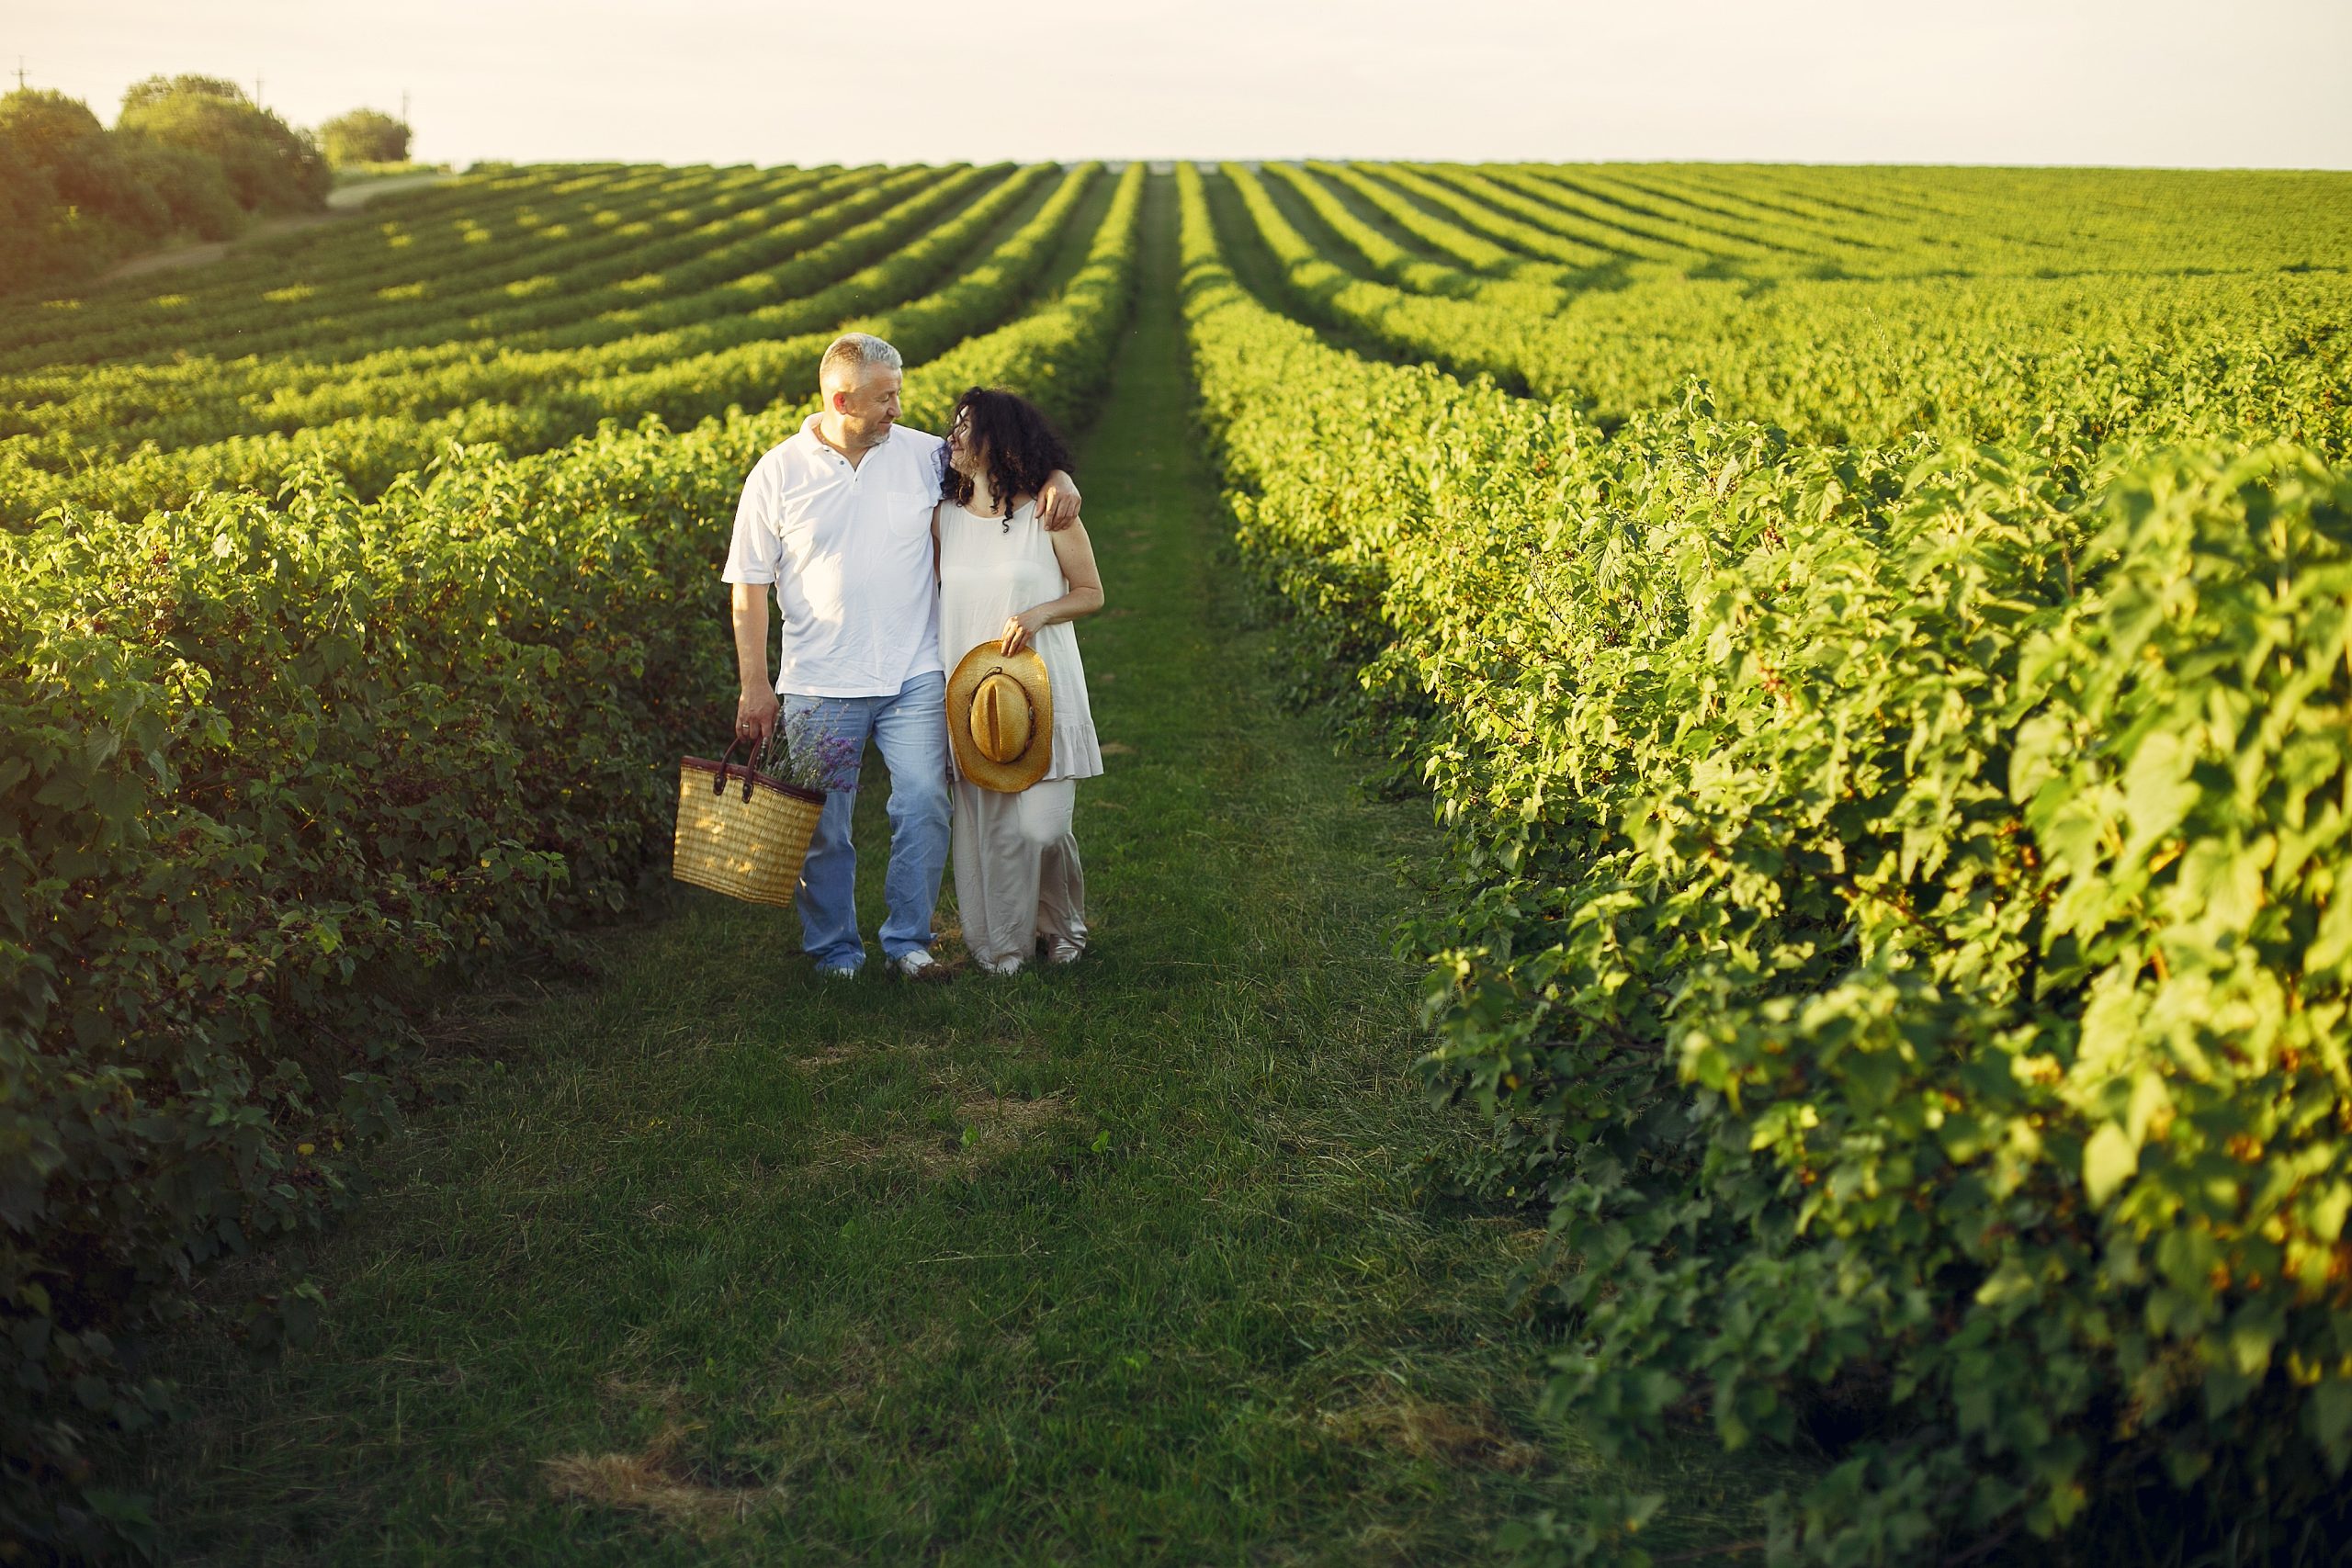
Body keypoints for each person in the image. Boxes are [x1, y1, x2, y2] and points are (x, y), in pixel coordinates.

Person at [722, 334, 1080, 980]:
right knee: (825, 825)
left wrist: (1059, 475)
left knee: (922, 801)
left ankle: (907, 940)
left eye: (898, 394)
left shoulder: (921, 455)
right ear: (841, 398)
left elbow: (1011, 455)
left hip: (915, 673)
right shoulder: (777, 472)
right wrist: (755, 684)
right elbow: (747, 585)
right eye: (886, 397)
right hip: (818, 681)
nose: (898, 408)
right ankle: (835, 950)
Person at [935, 387, 1105, 975]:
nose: (952, 437)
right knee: (990, 831)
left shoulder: (1049, 512)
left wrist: (1038, 614)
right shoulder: (943, 521)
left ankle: (1062, 924)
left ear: (998, 440)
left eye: (965, 428)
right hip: (973, 692)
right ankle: (1004, 944)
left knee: (1042, 827)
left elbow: (1092, 593)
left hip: (1042, 687)